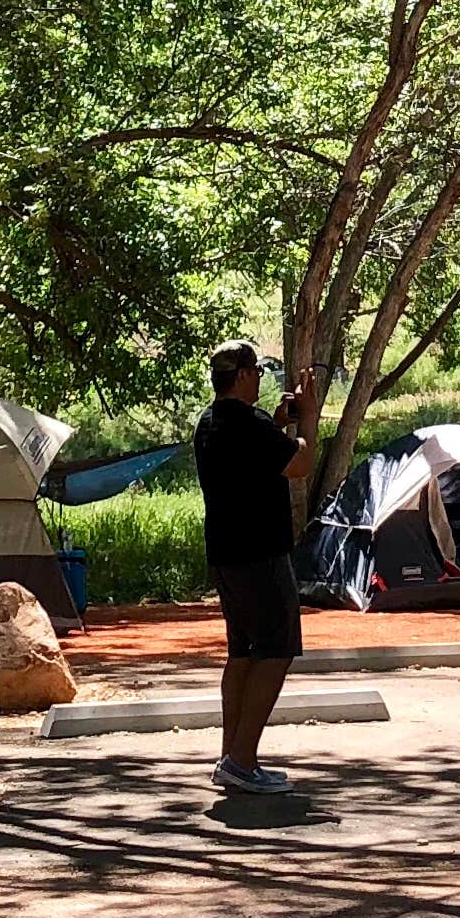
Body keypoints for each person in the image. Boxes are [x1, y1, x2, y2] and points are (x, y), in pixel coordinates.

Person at [191, 337, 321, 795]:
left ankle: (233, 756)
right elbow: (300, 464)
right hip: (261, 555)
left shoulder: (210, 423)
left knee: (243, 652)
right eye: (257, 374)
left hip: (227, 554)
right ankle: (243, 759)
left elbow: (260, 442)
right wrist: (308, 416)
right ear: (243, 375)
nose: (260, 381)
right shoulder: (250, 427)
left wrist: (281, 420)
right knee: (277, 649)